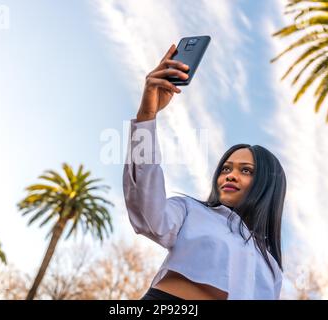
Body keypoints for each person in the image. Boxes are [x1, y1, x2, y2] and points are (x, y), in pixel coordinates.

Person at [122, 44, 286, 300]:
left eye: (246, 170)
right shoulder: (189, 210)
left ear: (268, 184)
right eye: (226, 168)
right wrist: (147, 115)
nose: (230, 175)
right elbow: (146, 214)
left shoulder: (272, 269)